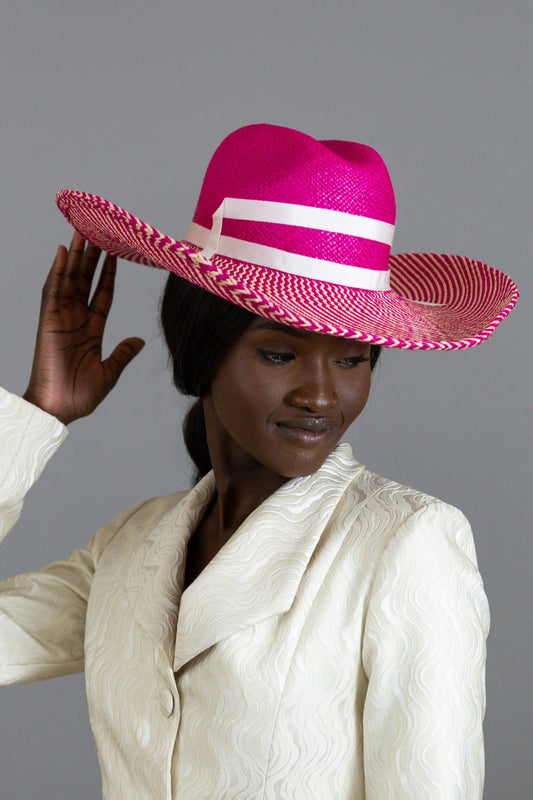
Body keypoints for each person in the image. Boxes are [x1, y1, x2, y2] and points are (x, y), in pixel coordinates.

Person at [0, 124, 518, 799]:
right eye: (279, 353)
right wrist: (38, 416)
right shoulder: (131, 546)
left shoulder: (406, 542)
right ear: (200, 350)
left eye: (352, 359)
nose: (321, 395)